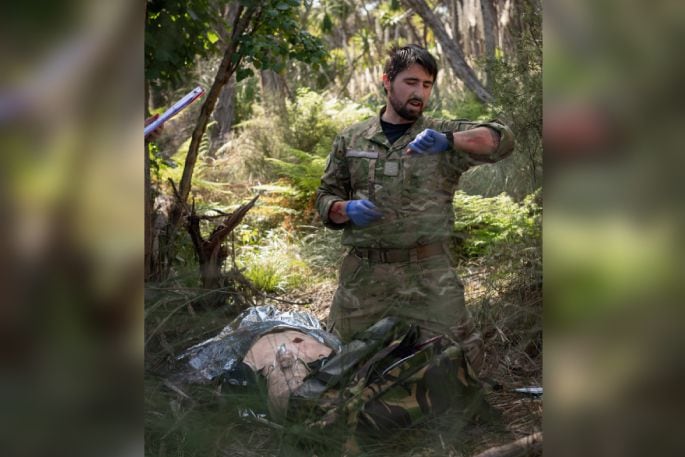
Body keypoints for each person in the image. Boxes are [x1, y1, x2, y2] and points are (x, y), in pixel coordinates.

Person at [315, 44, 514, 373]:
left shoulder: (439, 132)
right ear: (387, 82)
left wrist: (449, 141)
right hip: (364, 279)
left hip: (429, 276)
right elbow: (324, 196)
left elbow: (502, 139)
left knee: (459, 371)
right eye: (410, 82)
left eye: (427, 84)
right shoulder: (352, 139)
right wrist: (344, 208)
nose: (419, 92)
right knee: (342, 370)